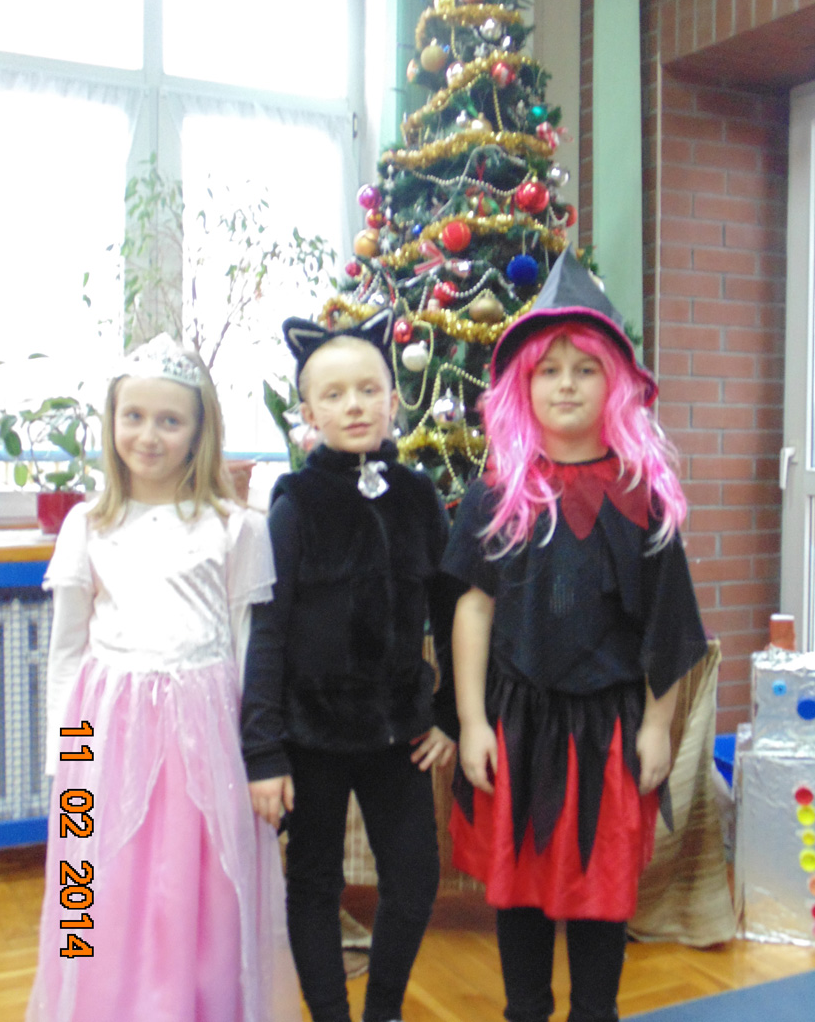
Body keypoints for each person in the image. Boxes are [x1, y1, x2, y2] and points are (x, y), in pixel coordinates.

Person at [442, 247, 708, 1022]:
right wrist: (469, 722)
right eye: (548, 370)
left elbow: (667, 625)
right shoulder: (497, 494)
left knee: (600, 891)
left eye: (583, 369)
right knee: (520, 890)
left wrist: (656, 725)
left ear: (613, 382)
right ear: (522, 385)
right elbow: (473, 609)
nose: (564, 384)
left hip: (608, 728)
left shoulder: (640, 497)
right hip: (516, 723)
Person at [26, 335, 300, 1022]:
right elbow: (67, 650)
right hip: (101, 733)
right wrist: (66, 758)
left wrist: (254, 753)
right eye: (134, 416)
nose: (148, 435)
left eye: (170, 420)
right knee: (93, 879)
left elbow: (246, 645)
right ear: (112, 422)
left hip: (202, 736)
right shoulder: (87, 524)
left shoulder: (235, 528)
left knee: (193, 883)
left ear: (199, 432)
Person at [241, 308, 459, 1022]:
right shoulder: (295, 504)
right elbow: (267, 631)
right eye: (333, 395)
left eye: (368, 390)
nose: (355, 405)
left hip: (399, 730)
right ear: (309, 414)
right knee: (313, 882)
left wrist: (450, 715)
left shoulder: (420, 497)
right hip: (311, 734)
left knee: (415, 878)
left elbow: (451, 612)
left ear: (394, 399)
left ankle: (383, 1010)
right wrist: (263, 750)